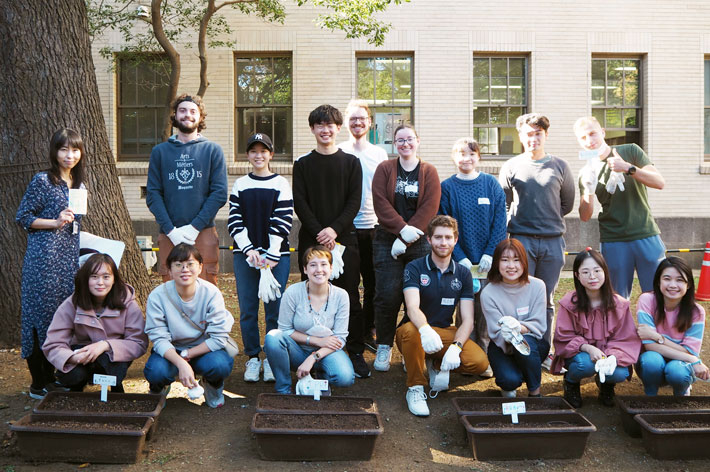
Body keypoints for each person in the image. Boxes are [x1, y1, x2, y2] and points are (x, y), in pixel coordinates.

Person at [292, 104, 369, 378]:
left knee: (349, 297)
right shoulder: (302, 164)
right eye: (319, 125)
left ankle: (355, 351)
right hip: (311, 241)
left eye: (330, 125)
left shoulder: (350, 163)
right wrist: (319, 233)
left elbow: (354, 201)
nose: (325, 130)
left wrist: (334, 231)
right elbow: (299, 202)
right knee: (312, 295)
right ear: (312, 129)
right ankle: (311, 351)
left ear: (339, 128)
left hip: (344, 241)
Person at [16, 128, 87, 399]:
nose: (70, 155)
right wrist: (55, 223)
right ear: (54, 152)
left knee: (61, 318)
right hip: (43, 259)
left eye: (75, 150)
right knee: (39, 317)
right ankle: (38, 382)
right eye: (64, 149)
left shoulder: (79, 184)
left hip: (68, 261)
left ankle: (55, 376)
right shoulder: (43, 181)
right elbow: (23, 217)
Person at [499, 113, 574, 366]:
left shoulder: (560, 166)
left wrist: (546, 221)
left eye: (538, 133)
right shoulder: (511, 166)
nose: (533, 138)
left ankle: (543, 350)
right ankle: (517, 347)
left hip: (553, 241)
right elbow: (504, 203)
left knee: (546, 298)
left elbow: (567, 204)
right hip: (521, 241)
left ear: (546, 135)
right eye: (528, 134)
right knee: (519, 295)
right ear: (521, 136)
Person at [397, 216, 489, 416]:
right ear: (429, 240)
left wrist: (455, 348)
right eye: (438, 237)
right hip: (414, 331)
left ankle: (436, 363)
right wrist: (425, 330)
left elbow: (468, 320)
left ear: (456, 240)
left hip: (444, 333)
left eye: (448, 237)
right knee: (412, 333)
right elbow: (412, 308)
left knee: (479, 362)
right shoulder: (414, 267)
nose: (443, 242)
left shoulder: (463, 273)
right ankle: (416, 388)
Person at [371, 124, 441, 372]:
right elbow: (380, 202)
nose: (405, 144)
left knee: (418, 295)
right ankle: (384, 345)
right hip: (386, 239)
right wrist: (400, 231)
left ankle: (407, 343)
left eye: (409, 139)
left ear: (418, 141)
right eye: (400, 140)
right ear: (394, 144)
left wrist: (408, 238)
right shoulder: (385, 169)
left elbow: (430, 206)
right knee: (387, 294)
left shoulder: (429, 171)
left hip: (420, 240)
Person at [574, 116, 666, 299]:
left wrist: (628, 168)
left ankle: (658, 328)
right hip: (613, 239)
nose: (589, 141)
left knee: (658, 293)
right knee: (616, 297)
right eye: (583, 138)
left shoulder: (630, 150)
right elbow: (585, 216)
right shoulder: (586, 171)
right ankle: (619, 329)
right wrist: (588, 191)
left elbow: (659, 182)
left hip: (645, 233)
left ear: (603, 132)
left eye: (592, 134)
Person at [228, 133, 293, 383]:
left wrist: (272, 252)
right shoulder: (241, 184)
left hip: (277, 257)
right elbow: (235, 219)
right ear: (248, 155)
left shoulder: (281, 183)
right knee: (248, 310)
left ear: (271, 154)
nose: (258, 155)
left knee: (274, 310)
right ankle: (253, 358)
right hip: (246, 257)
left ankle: (271, 358)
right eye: (253, 151)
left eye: (263, 151)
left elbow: (283, 218)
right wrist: (248, 250)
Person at [439, 137, 506, 369]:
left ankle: (487, 359)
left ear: (478, 157)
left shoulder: (491, 184)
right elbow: (445, 226)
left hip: (488, 263)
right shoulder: (446, 187)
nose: (465, 158)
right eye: (460, 153)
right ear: (453, 157)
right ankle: (466, 358)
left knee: (487, 310)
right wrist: (461, 257)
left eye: (471, 153)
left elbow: (500, 222)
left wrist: (489, 253)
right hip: (461, 262)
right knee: (464, 309)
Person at [146, 93, 228, 285]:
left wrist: (194, 228)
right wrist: (171, 230)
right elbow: (153, 194)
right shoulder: (160, 152)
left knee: (206, 287)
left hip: (203, 232)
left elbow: (219, 194)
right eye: (182, 110)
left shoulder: (212, 150)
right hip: (169, 234)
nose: (187, 115)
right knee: (170, 289)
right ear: (175, 115)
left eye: (193, 111)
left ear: (200, 117)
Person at [143, 244, 235, 408]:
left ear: (200, 267)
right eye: (178, 265)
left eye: (190, 264)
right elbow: (159, 338)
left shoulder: (211, 293)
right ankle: (159, 389)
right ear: (170, 270)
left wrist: (188, 354)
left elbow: (219, 338)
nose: (185, 269)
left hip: (204, 348)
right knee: (155, 371)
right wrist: (181, 362)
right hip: (171, 349)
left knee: (220, 365)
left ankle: (213, 385)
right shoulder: (157, 296)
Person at [43, 253, 149, 392]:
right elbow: (53, 343)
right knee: (73, 375)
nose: (100, 282)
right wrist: (72, 357)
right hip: (81, 353)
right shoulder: (72, 303)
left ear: (114, 279)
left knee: (114, 368)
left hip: (114, 354)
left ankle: (116, 389)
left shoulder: (128, 303)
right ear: (85, 279)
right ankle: (75, 390)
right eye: (94, 277)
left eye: (106, 277)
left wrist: (105, 345)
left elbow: (138, 342)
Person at [551, 249, 641, 408]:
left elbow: (625, 338)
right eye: (585, 272)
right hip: (581, 355)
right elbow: (563, 337)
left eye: (597, 270)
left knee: (620, 372)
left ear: (605, 272)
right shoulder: (569, 303)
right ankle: (571, 383)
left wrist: (612, 356)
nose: (592, 276)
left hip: (609, 353)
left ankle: (606, 384)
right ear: (577, 276)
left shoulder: (619, 304)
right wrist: (587, 348)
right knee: (584, 365)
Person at [264, 246, 355, 394]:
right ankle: (283, 388)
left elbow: (340, 338)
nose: (319, 269)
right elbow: (284, 330)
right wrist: (316, 340)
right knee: (273, 337)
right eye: (313, 265)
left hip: (327, 352)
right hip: (297, 350)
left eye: (324, 264)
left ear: (331, 268)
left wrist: (314, 357)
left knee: (345, 377)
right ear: (305, 270)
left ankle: (321, 377)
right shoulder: (292, 292)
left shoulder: (341, 296)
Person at [339, 100, 388, 353]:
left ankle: (370, 329)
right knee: (347, 284)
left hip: (374, 227)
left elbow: (383, 192)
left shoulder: (379, 154)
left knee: (373, 284)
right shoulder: (338, 151)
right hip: (345, 229)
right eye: (353, 118)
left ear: (369, 122)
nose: (357, 123)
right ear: (346, 122)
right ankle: (348, 330)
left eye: (362, 118)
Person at [480, 238, 549, 397]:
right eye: (505, 260)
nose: (511, 266)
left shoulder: (537, 286)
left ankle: (535, 393)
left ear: (524, 262)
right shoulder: (489, 293)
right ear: (497, 263)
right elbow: (496, 332)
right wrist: (509, 333)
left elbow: (538, 326)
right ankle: (516, 374)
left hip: (532, 345)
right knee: (509, 381)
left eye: (516, 260)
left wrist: (518, 327)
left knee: (525, 343)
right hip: (502, 347)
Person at [636, 257, 708, 396]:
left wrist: (657, 337)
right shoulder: (647, 300)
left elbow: (689, 351)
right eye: (667, 279)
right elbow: (650, 346)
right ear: (658, 281)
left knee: (677, 371)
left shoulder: (696, 312)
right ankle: (650, 396)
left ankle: (681, 395)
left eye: (680, 280)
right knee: (651, 360)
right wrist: (692, 358)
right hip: (654, 360)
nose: (673, 285)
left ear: (688, 285)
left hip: (681, 364)